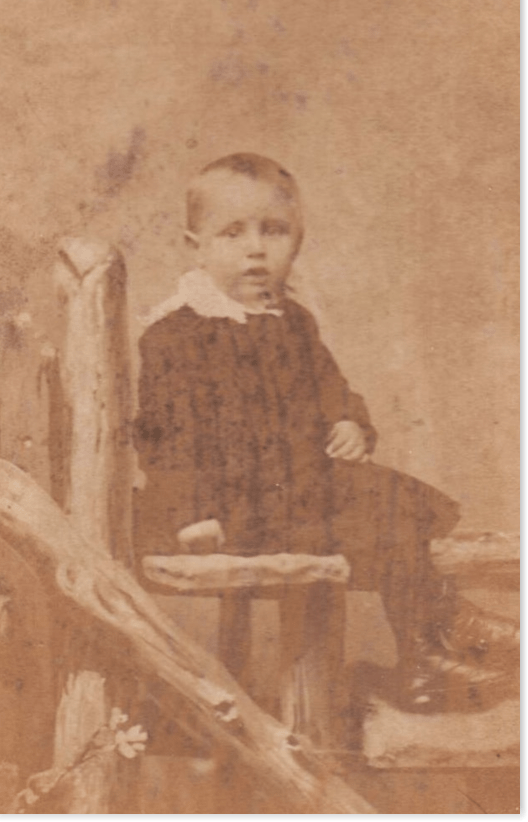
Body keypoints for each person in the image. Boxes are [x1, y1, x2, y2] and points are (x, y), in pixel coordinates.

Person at [134, 152, 518, 714]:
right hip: (225, 505)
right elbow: (164, 435)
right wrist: (193, 512)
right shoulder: (176, 333)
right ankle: (445, 631)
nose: (255, 249)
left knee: (393, 502)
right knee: (379, 514)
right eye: (233, 233)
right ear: (197, 246)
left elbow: (331, 388)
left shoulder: (293, 322)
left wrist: (348, 422)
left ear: (298, 242)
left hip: (297, 491)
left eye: (274, 231)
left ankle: (426, 650)